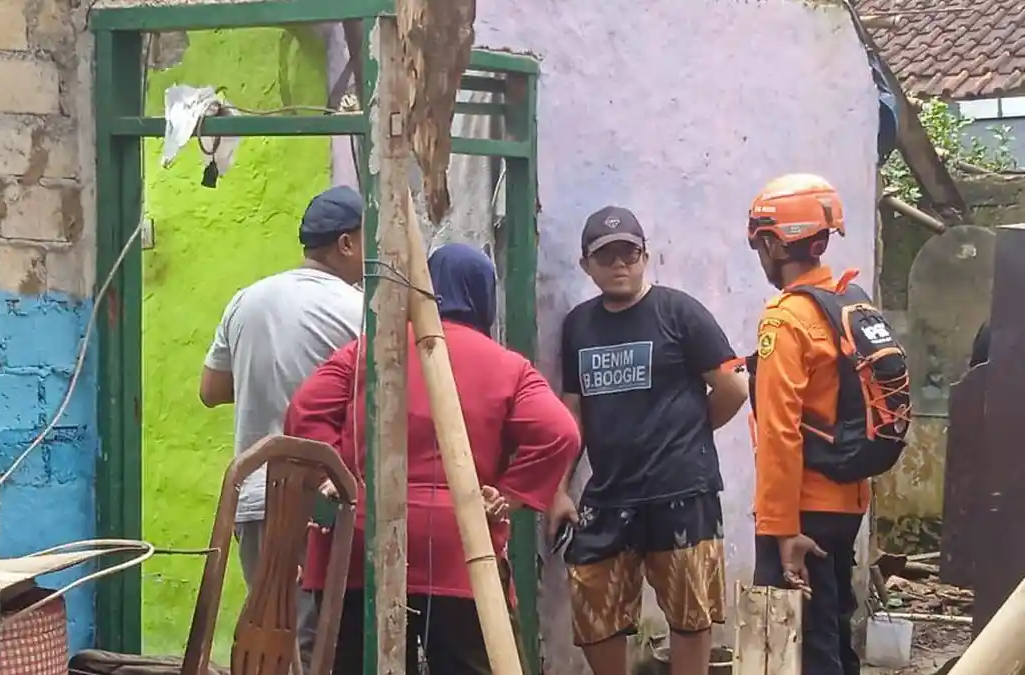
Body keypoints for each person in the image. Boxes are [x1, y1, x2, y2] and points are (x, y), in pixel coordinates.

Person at [285, 242, 581, 675]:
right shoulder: (507, 366)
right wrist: (510, 495)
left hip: (365, 545)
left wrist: (341, 477)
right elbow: (561, 432)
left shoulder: (367, 351)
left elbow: (303, 410)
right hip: (460, 549)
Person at [551, 207, 748, 675]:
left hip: (681, 491)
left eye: (630, 253)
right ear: (586, 265)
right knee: (593, 598)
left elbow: (734, 387)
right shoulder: (578, 325)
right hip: (611, 491)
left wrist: (689, 434)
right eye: (607, 257)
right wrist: (558, 489)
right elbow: (572, 414)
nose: (620, 265)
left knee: (689, 612)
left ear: (645, 256)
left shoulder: (678, 312)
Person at [199, 185, 366, 671]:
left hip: (252, 497)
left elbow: (211, 390)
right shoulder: (356, 311)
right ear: (345, 244)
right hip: (320, 499)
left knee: (271, 637)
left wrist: (266, 379)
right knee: (316, 645)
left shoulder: (246, 300)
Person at [744, 174, 872, 675]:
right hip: (848, 501)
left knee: (795, 650)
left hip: (801, 513)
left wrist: (781, 531)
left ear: (775, 243)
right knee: (834, 635)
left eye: (760, 243)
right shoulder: (850, 301)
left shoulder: (786, 317)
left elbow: (779, 431)